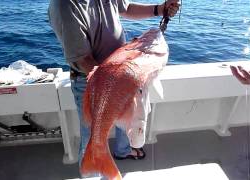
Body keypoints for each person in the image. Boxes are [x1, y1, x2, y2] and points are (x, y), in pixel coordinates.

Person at [48, 0, 180, 168]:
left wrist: (159, 9)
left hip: (120, 73)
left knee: (127, 121)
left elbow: (126, 7)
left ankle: (123, 151)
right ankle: (93, 167)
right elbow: (82, 60)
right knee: (92, 135)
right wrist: (115, 81)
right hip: (91, 81)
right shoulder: (65, 6)